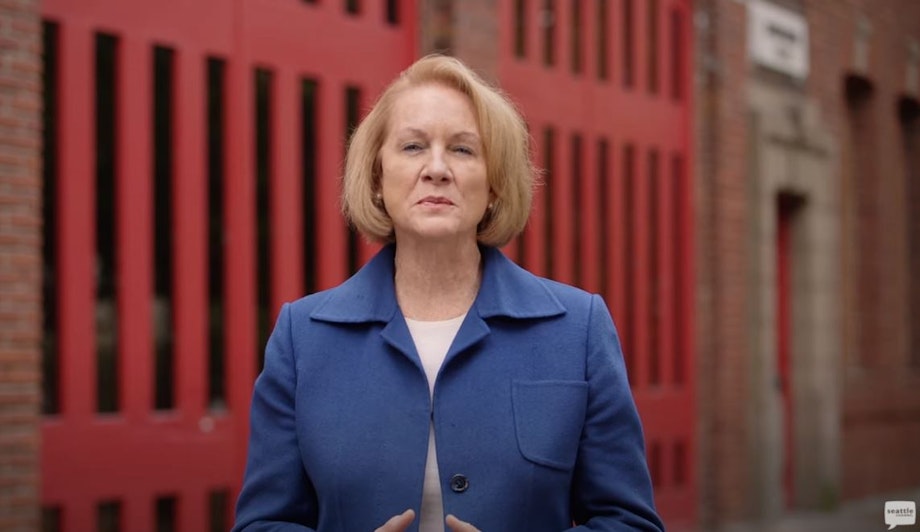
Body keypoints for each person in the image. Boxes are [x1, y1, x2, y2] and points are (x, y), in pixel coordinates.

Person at [232, 54, 664, 532]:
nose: (436, 168)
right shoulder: (303, 337)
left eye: (462, 150)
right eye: (413, 146)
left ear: (495, 184)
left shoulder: (578, 328)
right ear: (377, 179)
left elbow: (631, 522)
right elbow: (261, 524)